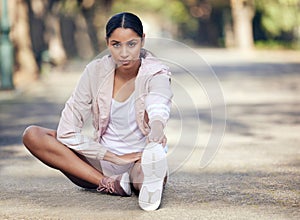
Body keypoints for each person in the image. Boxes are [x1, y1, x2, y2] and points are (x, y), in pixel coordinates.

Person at [22, 12, 173, 211]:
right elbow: (67, 130)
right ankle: (110, 183)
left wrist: (156, 128)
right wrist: (112, 157)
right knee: (33, 135)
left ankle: (147, 181)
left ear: (143, 40)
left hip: (139, 158)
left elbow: (158, 102)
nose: (124, 53)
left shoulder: (156, 72)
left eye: (132, 44)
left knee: (144, 176)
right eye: (116, 44)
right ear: (107, 43)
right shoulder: (95, 71)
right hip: (99, 163)